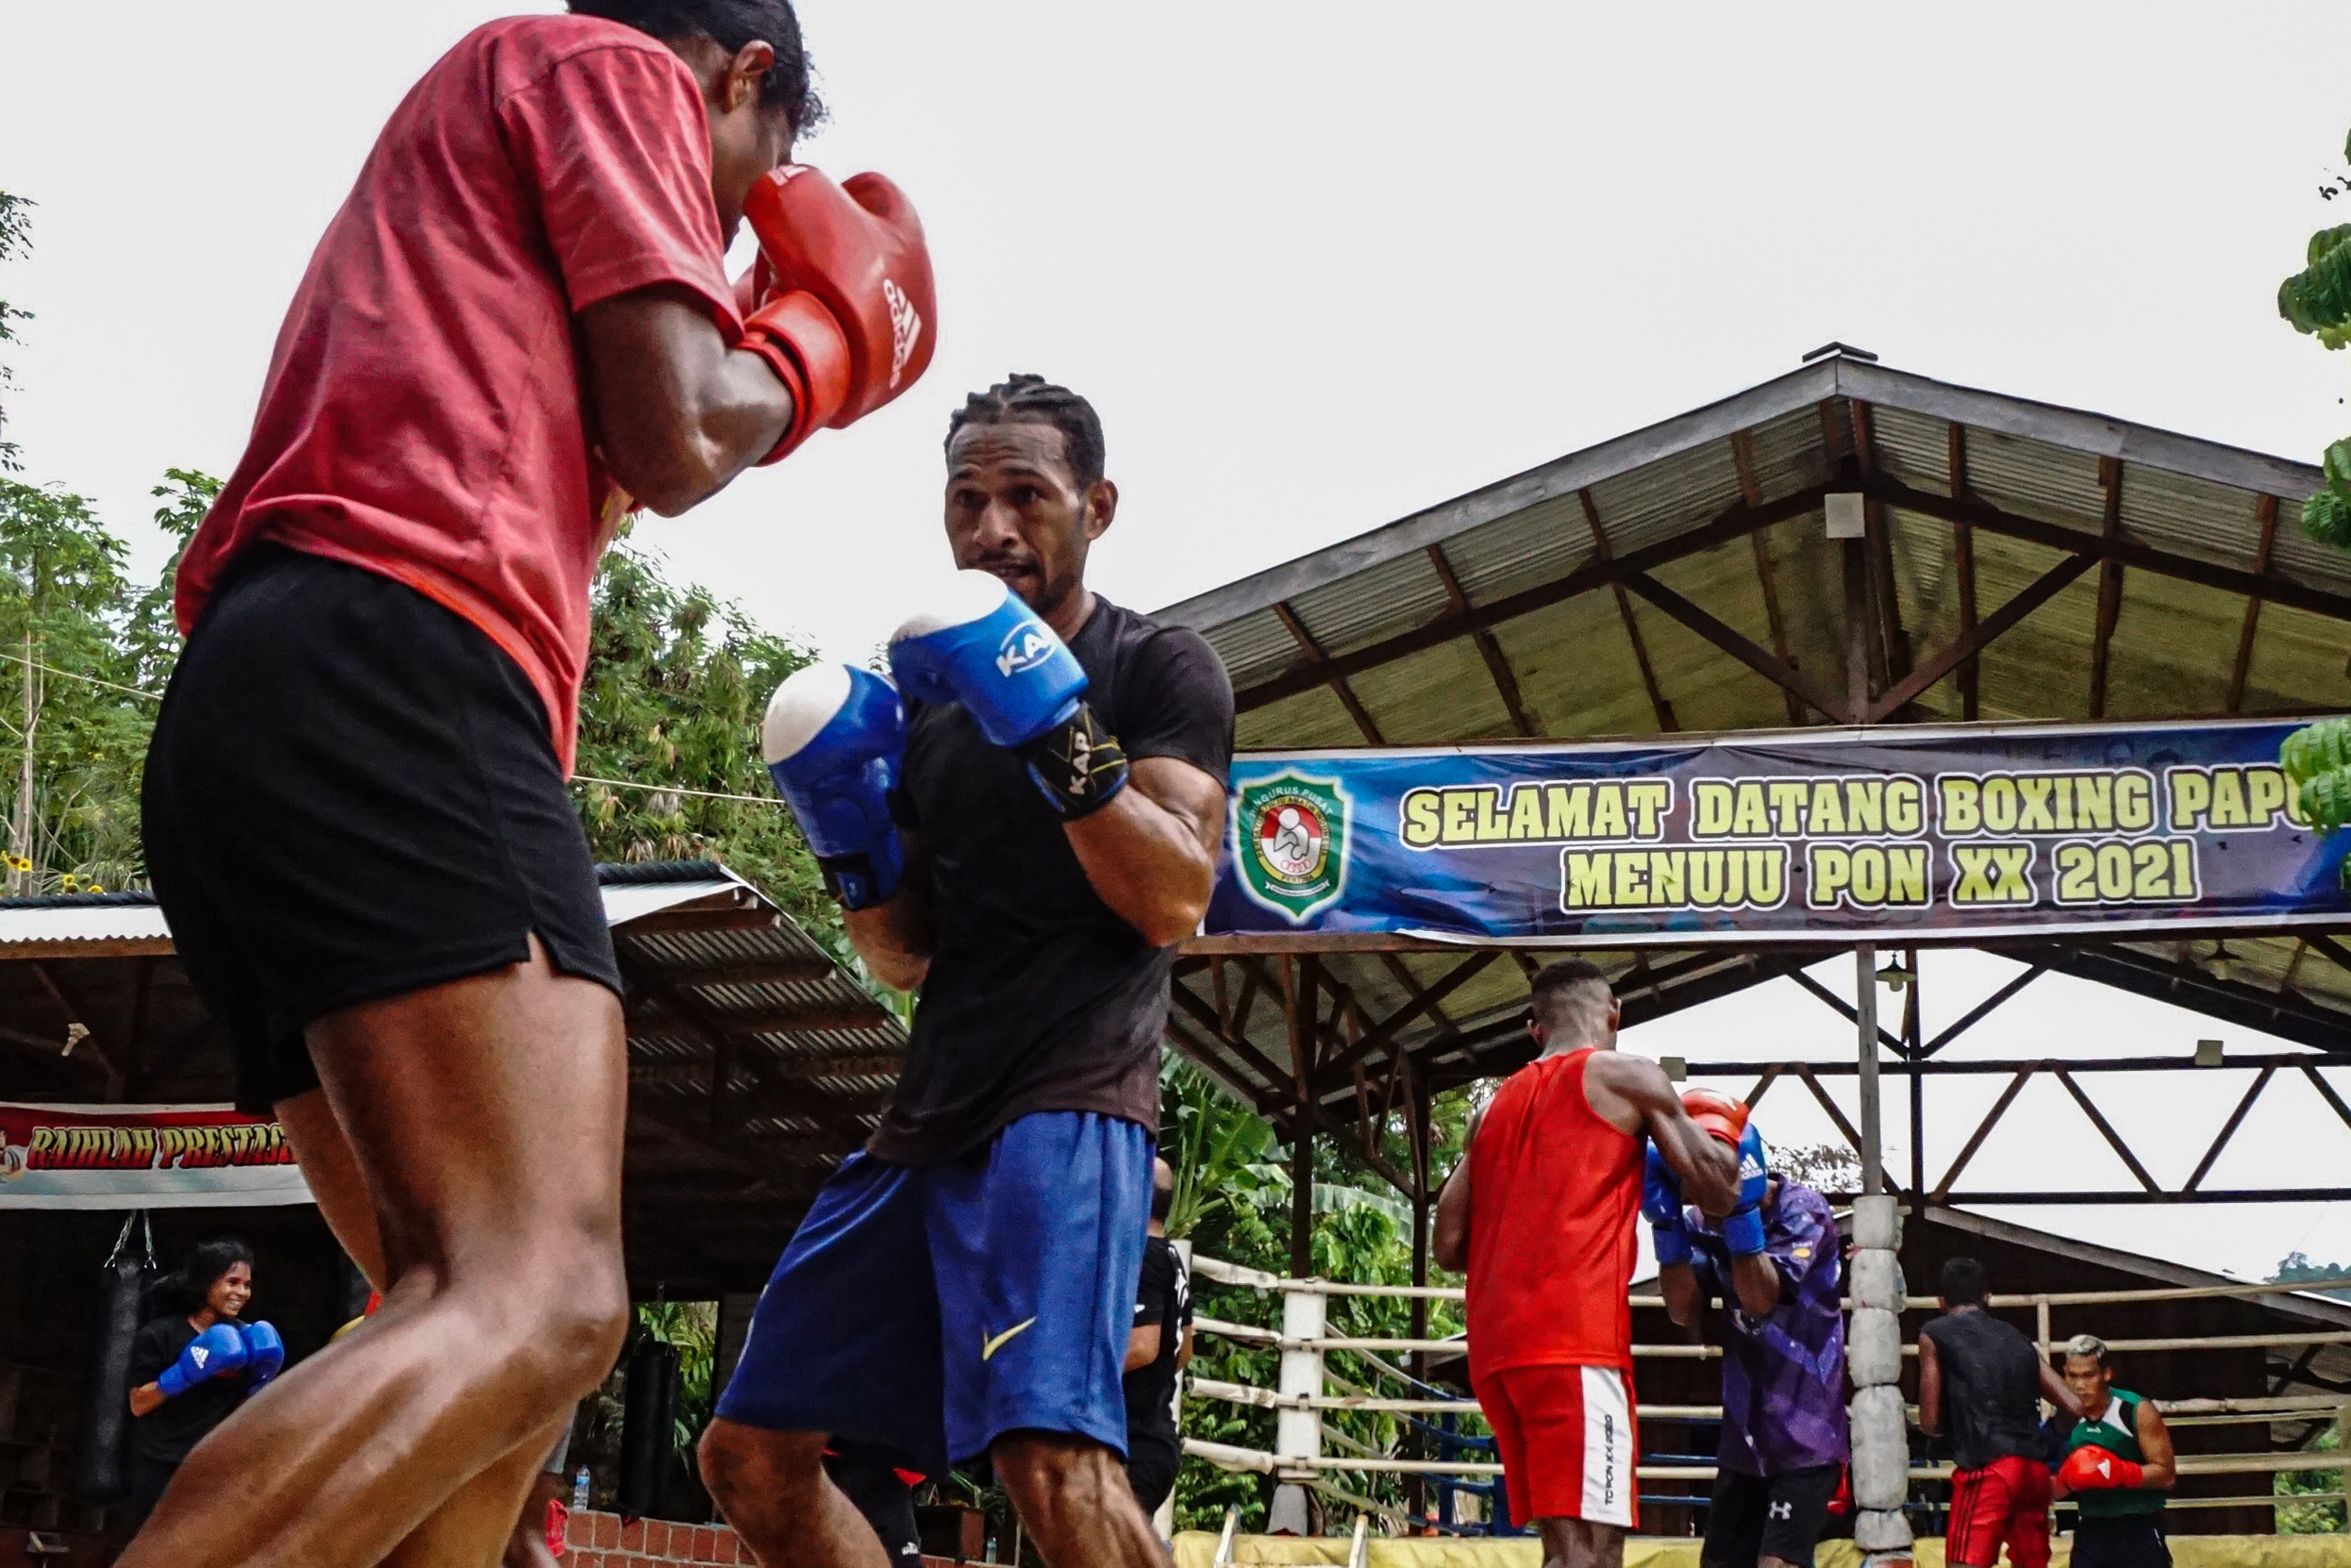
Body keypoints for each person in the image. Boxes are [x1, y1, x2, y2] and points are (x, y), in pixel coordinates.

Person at [130, 0, 935, 1560]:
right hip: (402, 661)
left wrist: (738, 351)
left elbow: (628, 468)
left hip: (264, 701)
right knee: (544, 1293)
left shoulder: (472, 214)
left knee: (490, 1375)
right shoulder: (610, 70)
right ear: (739, 81)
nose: (715, 239)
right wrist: (815, 343)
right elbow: (690, 425)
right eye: (743, 192)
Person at [699, 375, 1236, 1568]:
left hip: (1068, 1103)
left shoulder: (1158, 667)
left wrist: (1050, 725)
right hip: (926, 1120)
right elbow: (901, 956)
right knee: (749, 1454)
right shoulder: (927, 712)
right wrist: (851, 841)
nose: (992, 528)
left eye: (1025, 497)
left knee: (1048, 1460)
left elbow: (1172, 897)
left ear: (1094, 505)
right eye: (966, 500)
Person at [1431, 959, 1743, 1568]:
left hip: (1498, 1353)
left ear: (1534, 1029)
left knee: (1568, 1548)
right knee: (1594, 1554)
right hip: (1574, 1342)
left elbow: (1448, 1245)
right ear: (1614, 1014)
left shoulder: (1490, 1112)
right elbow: (1719, 1193)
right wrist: (1727, 1145)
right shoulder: (1628, 1076)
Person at [1655, 1118, 1846, 1568]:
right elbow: (1682, 1310)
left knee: (1778, 1564)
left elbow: (1760, 1299)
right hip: (1744, 1441)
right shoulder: (1701, 1220)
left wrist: (1740, 1218)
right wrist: (1666, 1230)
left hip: (1806, 1435)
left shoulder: (1804, 1211)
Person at [1916, 1258, 2089, 1568]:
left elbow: (1928, 1422)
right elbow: (2074, 1406)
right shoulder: (2018, 1339)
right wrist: (2048, 1441)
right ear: (1987, 1297)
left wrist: (1952, 1427)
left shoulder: (1934, 1333)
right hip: (2033, 1471)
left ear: (1940, 1302)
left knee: (1963, 1564)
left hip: (1989, 1470)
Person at [124, 1240, 283, 1535]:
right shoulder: (161, 1334)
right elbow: (138, 1403)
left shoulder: (249, 1340)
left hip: (217, 1464)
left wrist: (259, 1386)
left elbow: (247, 1412)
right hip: (163, 1462)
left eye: (247, 1285)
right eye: (232, 1282)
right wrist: (184, 1373)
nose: (241, 1293)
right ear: (206, 1282)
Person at [2053, 1334, 2176, 1568]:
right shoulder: (2064, 1418)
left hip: (2139, 1525)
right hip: (2091, 1527)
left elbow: (2167, 1475)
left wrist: (2118, 1472)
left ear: (2106, 1374)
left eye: (2088, 1376)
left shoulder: (2135, 1410)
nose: (2079, 1385)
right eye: (2072, 1376)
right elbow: (2053, 1486)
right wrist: (2065, 1481)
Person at [1124, 1156, 1195, 1519]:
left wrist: (1069, 1369)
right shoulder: (1170, 1258)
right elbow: (1184, 1349)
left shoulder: (1143, 1258)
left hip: (1132, 1447)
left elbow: (1142, 1347)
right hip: (1154, 1443)